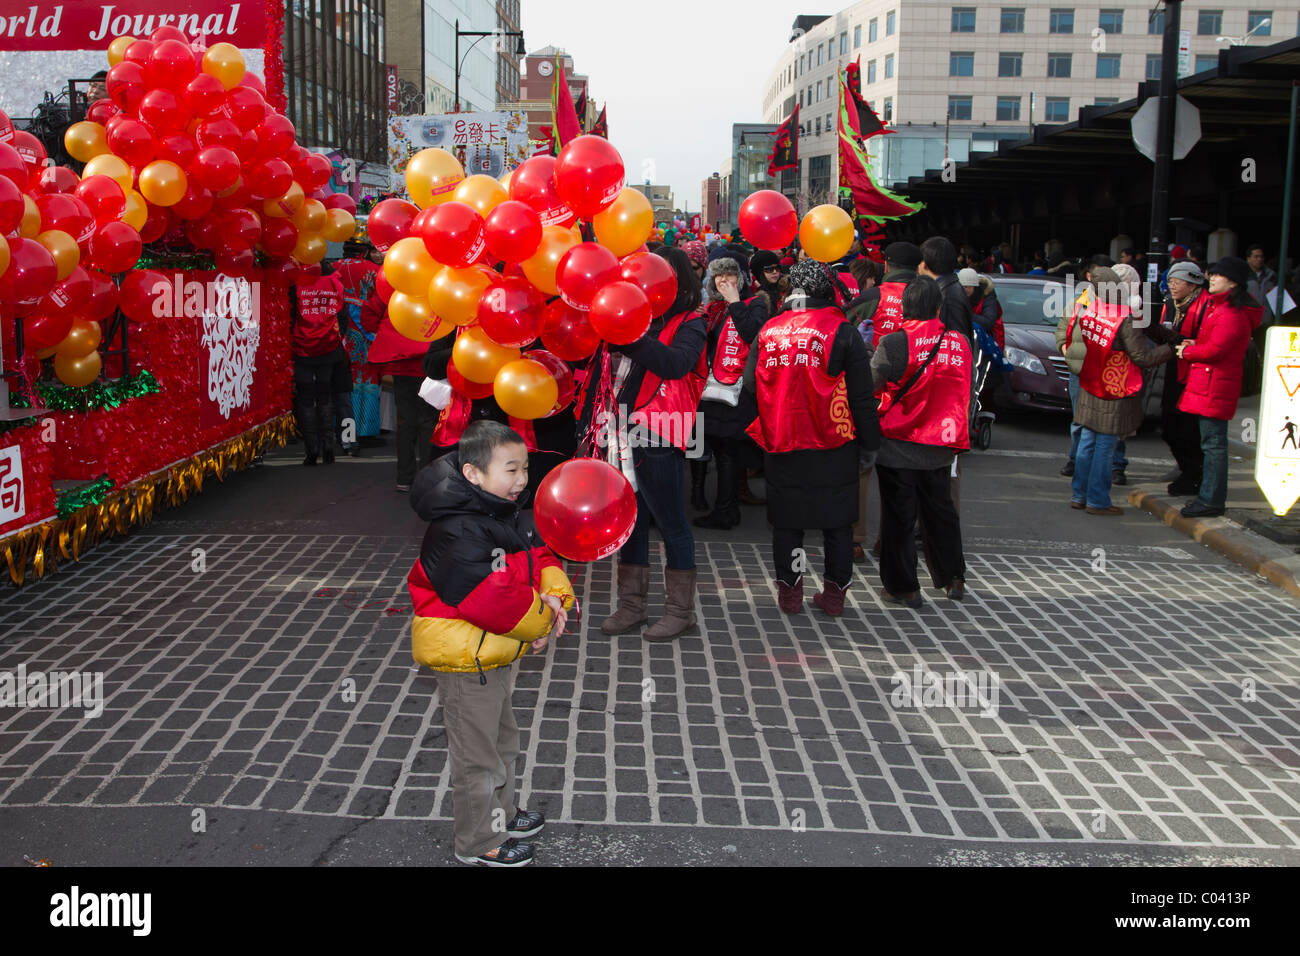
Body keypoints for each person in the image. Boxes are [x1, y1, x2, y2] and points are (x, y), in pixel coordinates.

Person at [407, 420, 575, 866]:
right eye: (511, 469)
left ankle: (502, 814)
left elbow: (537, 555)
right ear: (473, 474)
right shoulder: (458, 530)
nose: (522, 479)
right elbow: (492, 601)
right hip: (467, 661)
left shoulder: (495, 507)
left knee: (502, 742)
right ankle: (478, 842)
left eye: (524, 468)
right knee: (477, 758)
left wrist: (554, 596)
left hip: (490, 652)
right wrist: (543, 619)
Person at [743, 259, 881, 617]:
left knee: (788, 522)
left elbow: (748, 386)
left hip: (783, 439)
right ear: (825, 291)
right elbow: (862, 397)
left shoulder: (769, 330)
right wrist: (870, 442)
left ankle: (790, 593)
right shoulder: (844, 332)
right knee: (837, 523)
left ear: (790, 291)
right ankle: (834, 596)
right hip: (835, 442)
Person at [596, 247, 708, 641]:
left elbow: (677, 364)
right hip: (622, 431)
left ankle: (680, 612)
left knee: (672, 522)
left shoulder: (691, 322)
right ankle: (632, 605)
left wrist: (632, 334)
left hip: (661, 431)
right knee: (632, 521)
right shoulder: (640, 318)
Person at [871, 275, 972, 607]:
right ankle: (953, 577)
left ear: (905, 306)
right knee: (940, 512)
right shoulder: (958, 342)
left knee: (899, 518)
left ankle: (904, 587)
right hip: (941, 444)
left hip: (898, 445)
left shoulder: (894, 343)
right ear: (939, 307)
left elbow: (872, 383)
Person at [1064, 269, 1173, 515]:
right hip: (1114, 386)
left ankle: (1079, 495)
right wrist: (1171, 349)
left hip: (1090, 382)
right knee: (1105, 444)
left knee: (1087, 441)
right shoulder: (1125, 317)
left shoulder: (1089, 309)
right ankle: (1098, 500)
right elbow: (1142, 357)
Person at [1174, 256, 1263, 518]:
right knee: (1211, 443)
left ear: (1233, 282)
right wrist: (1194, 346)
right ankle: (1208, 497)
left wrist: (1187, 352)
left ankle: (1211, 500)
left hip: (1215, 385)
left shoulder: (1231, 314)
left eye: (1216, 275)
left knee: (1213, 445)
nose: (1210, 278)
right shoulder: (1222, 308)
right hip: (1212, 383)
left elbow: (1216, 349)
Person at [694, 256, 769, 530]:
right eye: (719, 277)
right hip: (712, 391)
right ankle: (722, 505)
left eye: (730, 276)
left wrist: (736, 302)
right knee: (717, 450)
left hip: (738, 392)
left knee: (729, 452)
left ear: (742, 278)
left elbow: (752, 334)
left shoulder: (755, 304)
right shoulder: (713, 308)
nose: (725, 282)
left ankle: (726, 511)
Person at [1057, 259, 1130, 483]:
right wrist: (1065, 349)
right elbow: (1062, 329)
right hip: (1081, 371)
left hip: (1111, 375)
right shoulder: (1078, 303)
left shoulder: (1124, 307)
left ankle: (1115, 466)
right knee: (1081, 421)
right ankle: (1076, 461)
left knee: (1112, 424)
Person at [1147, 261, 1213, 496]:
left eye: (1177, 282)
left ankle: (1193, 475)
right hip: (1176, 371)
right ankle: (1189, 471)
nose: (1172, 286)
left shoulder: (1207, 306)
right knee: (1169, 426)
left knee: (1186, 429)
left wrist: (1179, 342)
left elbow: (1203, 342)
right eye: (1171, 282)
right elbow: (1171, 336)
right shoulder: (1173, 304)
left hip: (1195, 375)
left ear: (1193, 283)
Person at [362, 279, 435, 493]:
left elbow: (369, 315)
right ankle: (428, 478)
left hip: (401, 361)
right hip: (429, 360)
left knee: (405, 421)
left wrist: (388, 334)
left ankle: (404, 477)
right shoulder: (438, 279)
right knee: (428, 420)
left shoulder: (394, 280)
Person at [290, 263, 349, 466]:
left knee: (306, 398)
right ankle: (329, 447)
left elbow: (290, 315)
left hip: (302, 347)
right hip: (329, 346)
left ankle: (311, 450)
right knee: (325, 396)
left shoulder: (296, 278)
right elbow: (343, 314)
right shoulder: (333, 277)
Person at [334, 243, 384, 454]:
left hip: (339, 333)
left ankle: (346, 434)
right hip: (366, 331)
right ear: (363, 252)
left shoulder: (333, 267)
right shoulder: (374, 270)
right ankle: (367, 431)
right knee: (368, 381)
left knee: (345, 386)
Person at [958, 267, 1003, 350]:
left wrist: (966, 314)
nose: (965, 290)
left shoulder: (987, 297)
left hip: (987, 342)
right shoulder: (957, 296)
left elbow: (989, 322)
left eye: (967, 287)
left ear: (975, 286)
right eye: (962, 287)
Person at [1246, 244, 1278, 330]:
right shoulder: (1242, 275)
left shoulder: (1271, 276)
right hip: (1247, 320)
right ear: (1248, 259)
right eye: (1256, 257)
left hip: (1266, 320)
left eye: (1261, 257)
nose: (1259, 259)